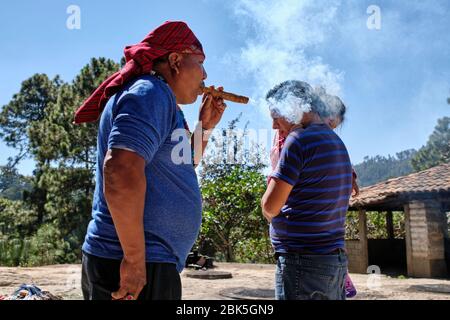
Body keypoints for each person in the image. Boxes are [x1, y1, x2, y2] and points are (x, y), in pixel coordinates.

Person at [74, 21, 227, 300]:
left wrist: (204, 126)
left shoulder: (163, 100)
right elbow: (120, 169)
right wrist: (134, 260)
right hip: (133, 263)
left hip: (150, 261)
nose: (205, 75)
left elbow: (183, 163)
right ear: (175, 61)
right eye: (201, 63)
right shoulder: (150, 93)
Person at [261, 80, 353, 300]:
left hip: (303, 262)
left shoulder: (299, 140)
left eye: (276, 116)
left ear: (293, 107)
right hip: (332, 261)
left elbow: (270, 207)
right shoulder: (336, 141)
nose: (274, 126)